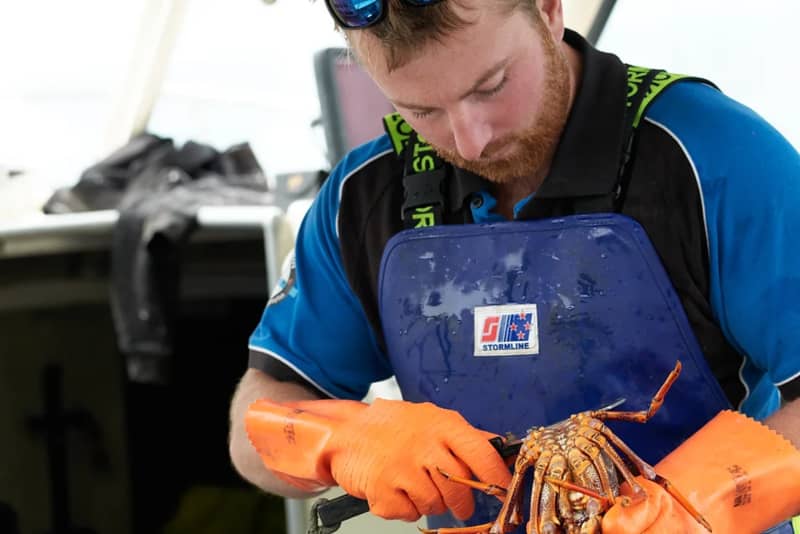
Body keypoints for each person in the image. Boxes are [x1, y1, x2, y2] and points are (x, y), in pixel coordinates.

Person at [229, 1, 800, 532]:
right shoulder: (364, 195)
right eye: (421, 109)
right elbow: (251, 429)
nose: (470, 142)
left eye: (492, 86)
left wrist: (697, 502)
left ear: (549, 10)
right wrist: (339, 441)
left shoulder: (719, 156)